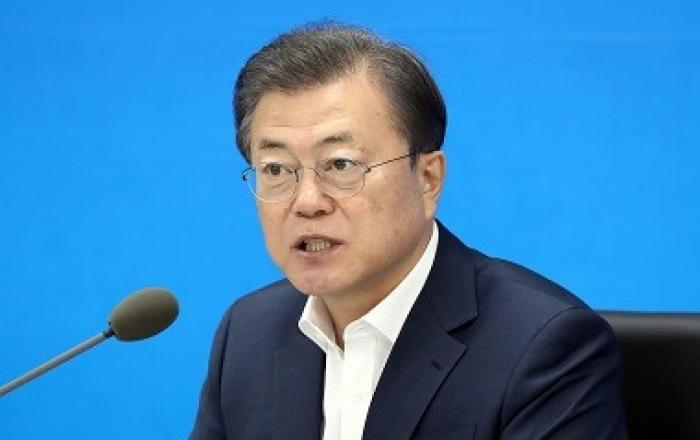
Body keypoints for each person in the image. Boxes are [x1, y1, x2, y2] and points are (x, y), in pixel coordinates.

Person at [190, 22, 627, 439]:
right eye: (276, 169)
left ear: (428, 179)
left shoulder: (543, 347)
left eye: (341, 165)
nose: (307, 201)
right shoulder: (248, 333)